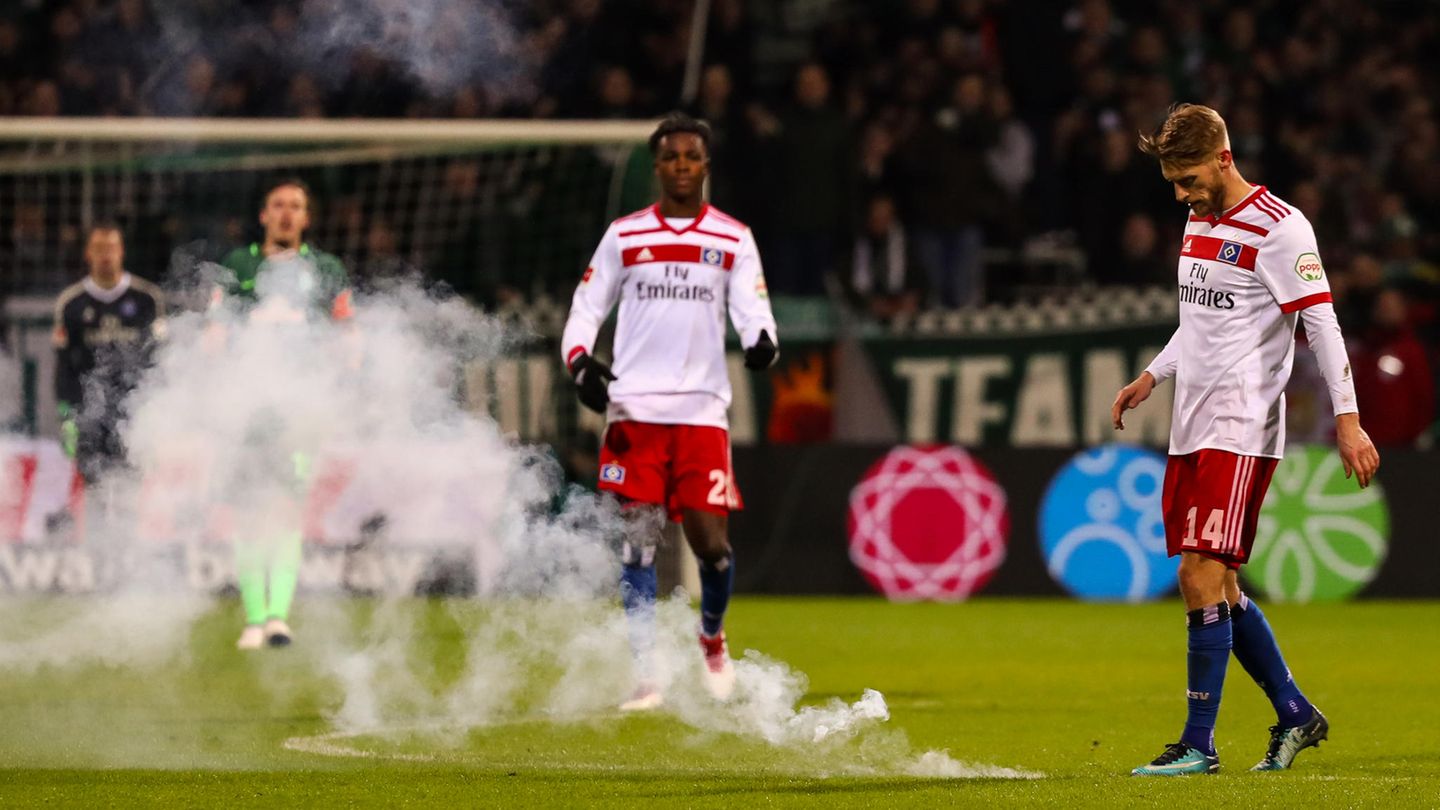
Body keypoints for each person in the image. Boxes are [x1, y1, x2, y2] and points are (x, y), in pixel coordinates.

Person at [1112, 104, 1380, 776]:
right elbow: (1198, 322)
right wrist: (1153, 372)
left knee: (1197, 574)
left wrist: (1347, 420)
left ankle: (1198, 745)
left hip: (1241, 425)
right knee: (1222, 587)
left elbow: (1322, 327)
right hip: (1191, 423)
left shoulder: (1281, 229)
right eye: (1174, 183)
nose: (1182, 194)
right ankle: (1295, 714)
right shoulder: (1197, 219)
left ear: (1225, 159)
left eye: (1191, 178)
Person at [561, 112, 779, 710]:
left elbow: (755, 310)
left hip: (702, 413)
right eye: (671, 157)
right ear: (656, 167)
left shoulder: (732, 238)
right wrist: (580, 363)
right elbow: (584, 310)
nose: (682, 165)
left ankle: (711, 636)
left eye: (692, 156)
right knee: (638, 544)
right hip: (634, 411)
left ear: (706, 166)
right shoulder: (624, 235)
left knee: (710, 543)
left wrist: (763, 342)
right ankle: (645, 674)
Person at [219, 178, 351, 651]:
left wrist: (340, 387)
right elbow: (217, 334)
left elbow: (345, 335)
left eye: (296, 206)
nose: (287, 214)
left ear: (307, 218)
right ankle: (254, 619)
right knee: (249, 511)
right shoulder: (239, 265)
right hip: (249, 407)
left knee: (286, 509)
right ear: (263, 216)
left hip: (300, 407)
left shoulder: (327, 268)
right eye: (278, 205)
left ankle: (277, 617)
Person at [53, 222, 165, 485]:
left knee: (132, 484)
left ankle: (128, 526)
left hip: (133, 412)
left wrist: (158, 410)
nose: (106, 255)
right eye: (99, 248)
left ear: (122, 251)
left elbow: (159, 360)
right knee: (91, 485)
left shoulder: (147, 298)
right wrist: (67, 414)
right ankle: (96, 526)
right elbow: (64, 365)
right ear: (88, 254)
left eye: (111, 248)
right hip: (88, 414)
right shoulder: (71, 303)